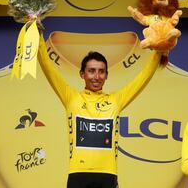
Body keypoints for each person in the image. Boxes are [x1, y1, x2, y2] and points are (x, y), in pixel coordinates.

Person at [37, 34, 163, 188]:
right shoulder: (70, 97)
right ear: (82, 74)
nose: (96, 76)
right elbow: (47, 67)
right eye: (91, 71)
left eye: (101, 71)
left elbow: (143, 77)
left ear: (106, 75)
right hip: (78, 173)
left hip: (108, 174)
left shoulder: (115, 100)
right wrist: (36, 32)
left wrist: (159, 53)